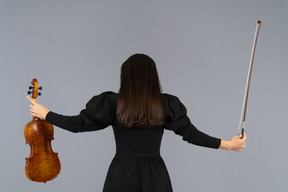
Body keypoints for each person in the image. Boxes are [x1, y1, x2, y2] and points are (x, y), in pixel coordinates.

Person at [27, 53, 247, 192]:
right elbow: (191, 134)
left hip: (120, 174)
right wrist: (229, 144)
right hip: (156, 175)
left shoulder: (113, 104)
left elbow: (78, 125)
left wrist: (47, 114)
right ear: (153, 77)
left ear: (126, 77)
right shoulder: (165, 104)